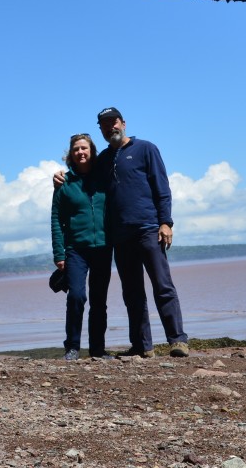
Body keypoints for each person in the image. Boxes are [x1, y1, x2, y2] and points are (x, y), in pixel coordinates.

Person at [56, 108, 189, 358]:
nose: (110, 128)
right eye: (105, 125)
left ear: (123, 123)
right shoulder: (104, 159)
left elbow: (162, 187)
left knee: (162, 286)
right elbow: (81, 175)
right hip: (120, 237)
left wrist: (166, 222)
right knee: (132, 293)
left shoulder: (146, 149)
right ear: (102, 130)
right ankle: (142, 346)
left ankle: (177, 340)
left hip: (149, 229)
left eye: (113, 122)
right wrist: (61, 177)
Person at [51, 133, 113, 361]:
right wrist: (59, 253)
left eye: (84, 148)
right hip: (76, 249)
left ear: (91, 151)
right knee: (76, 296)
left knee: (99, 301)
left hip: (104, 248)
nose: (80, 152)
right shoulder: (64, 183)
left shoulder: (104, 178)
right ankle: (72, 347)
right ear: (71, 154)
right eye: (76, 149)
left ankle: (98, 349)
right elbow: (56, 219)